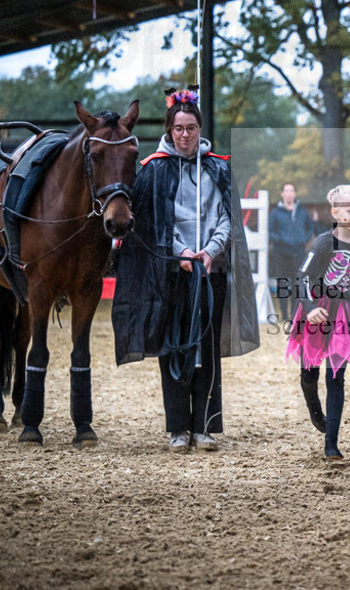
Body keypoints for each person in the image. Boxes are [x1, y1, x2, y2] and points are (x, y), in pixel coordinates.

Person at [112, 86, 259, 453]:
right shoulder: (153, 169)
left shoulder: (218, 167)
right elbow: (152, 223)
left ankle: (205, 427)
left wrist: (210, 251)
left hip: (211, 271)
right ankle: (178, 427)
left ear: (199, 128)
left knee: (206, 348)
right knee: (173, 346)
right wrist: (181, 251)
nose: (184, 135)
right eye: (178, 128)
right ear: (169, 129)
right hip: (172, 273)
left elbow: (229, 219)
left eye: (191, 128)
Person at [286, 184, 350, 460]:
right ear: (335, 212)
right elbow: (302, 278)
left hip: (346, 314)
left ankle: (331, 444)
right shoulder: (324, 242)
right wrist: (311, 307)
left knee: (335, 376)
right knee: (309, 374)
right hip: (318, 310)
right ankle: (313, 405)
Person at [269, 182, 318, 321]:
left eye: (291, 190)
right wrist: (282, 239)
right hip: (281, 253)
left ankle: (294, 315)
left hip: (298, 253)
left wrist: (304, 238)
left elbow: (310, 227)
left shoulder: (302, 211)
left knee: (298, 284)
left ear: (294, 194)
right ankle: (284, 316)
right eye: (286, 190)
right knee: (283, 284)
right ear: (282, 194)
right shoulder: (276, 213)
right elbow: (271, 232)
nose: (289, 193)